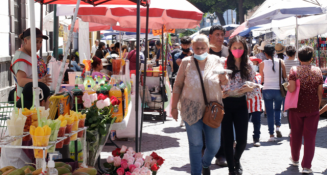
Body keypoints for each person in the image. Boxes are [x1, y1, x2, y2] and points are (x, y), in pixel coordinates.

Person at [171, 34, 229, 175]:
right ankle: (196, 172)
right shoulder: (186, 62)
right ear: (192, 47)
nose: (200, 51)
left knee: (214, 145)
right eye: (197, 48)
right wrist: (173, 107)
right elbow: (177, 85)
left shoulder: (216, 60)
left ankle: (205, 163)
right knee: (195, 144)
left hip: (213, 109)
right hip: (191, 108)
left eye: (203, 48)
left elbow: (225, 82)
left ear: (208, 47)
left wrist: (223, 77)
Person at [222, 36, 256, 175]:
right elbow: (216, 82)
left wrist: (249, 87)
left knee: (242, 140)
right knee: (228, 139)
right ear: (230, 49)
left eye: (240, 48)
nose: (237, 50)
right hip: (226, 103)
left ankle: (236, 160)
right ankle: (231, 168)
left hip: (241, 103)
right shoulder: (223, 64)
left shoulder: (248, 64)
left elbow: (254, 83)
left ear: (244, 49)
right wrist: (221, 92)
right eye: (234, 48)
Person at [288, 46, 323, 174]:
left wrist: (287, 85)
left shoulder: (294, 70)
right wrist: (317, 104)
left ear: (298, 58)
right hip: (312, 108)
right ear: (312, 58)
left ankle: (295, 159)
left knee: (295, 134)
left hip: (296, 107)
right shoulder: (317, 71)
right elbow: (320, 91)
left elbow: (291, 89)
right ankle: (307, 166)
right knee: (310, 137)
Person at [1, 82, 50, 168]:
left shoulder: (18, 119)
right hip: (17, 171)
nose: (50, 105)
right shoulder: (26, 126)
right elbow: (40, 160)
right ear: (42, 103)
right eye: (49, 101)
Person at [207, 25, 229, 167]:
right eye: (217, 34)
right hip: (206, 94)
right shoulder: (204, 51)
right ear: (210, 36)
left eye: (222, 34)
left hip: (225, 94)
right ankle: (205, 151)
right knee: (206, 123)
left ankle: (221, 155)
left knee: (223, 125)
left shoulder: (228, 52)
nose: (220, 37)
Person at [10, 28, 51, 100]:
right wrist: (41, 81)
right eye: (36, 41)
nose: (38, 45)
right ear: (25, 41)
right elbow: (21, 81)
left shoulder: (31, 54)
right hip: (26, 101)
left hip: (36, 97)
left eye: (40, 42)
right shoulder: (21, 57)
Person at [259, 44, 286, 141]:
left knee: (269, 113)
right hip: (278, 89)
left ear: (265, 54)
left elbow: (262, 78)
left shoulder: (262, 64)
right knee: (278, 109)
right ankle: (278, 127)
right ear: (274, 52)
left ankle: (271, 135)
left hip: (267, 90)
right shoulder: (281, 61)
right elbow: (285, 76)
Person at [248, 57, 263, 147]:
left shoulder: (259, 75)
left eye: (255, 63)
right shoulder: (244, 75)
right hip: (246, 103)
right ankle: (241, 139)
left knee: (257, 121)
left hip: (257, 103)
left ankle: (256, 138)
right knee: (243, 123)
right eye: (252, 63)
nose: (254, 65)